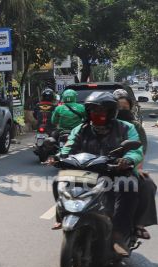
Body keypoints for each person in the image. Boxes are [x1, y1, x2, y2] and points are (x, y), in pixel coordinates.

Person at [50, 92, 144, 256]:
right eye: (94, 110)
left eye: (102, 110)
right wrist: (59, 157)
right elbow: (69, 146)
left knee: (127, 186)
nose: (98, 114)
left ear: (111, 112)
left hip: (116, 172)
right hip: (87, 172)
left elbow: (136, 150)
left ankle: (118, 235)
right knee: (58, 180)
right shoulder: (81, 128)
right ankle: (63, 215)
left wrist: (127, 160)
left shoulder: (125, 127)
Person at [113, 89, 156, 240]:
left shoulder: (134, 127)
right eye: (119, 107)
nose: (122, 111)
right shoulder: (102, 124)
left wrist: (137, 169)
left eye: (125, 108)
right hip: (103, 167)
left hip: (127, 167)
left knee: (147, 184)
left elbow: (140, 150)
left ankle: (139, 224)